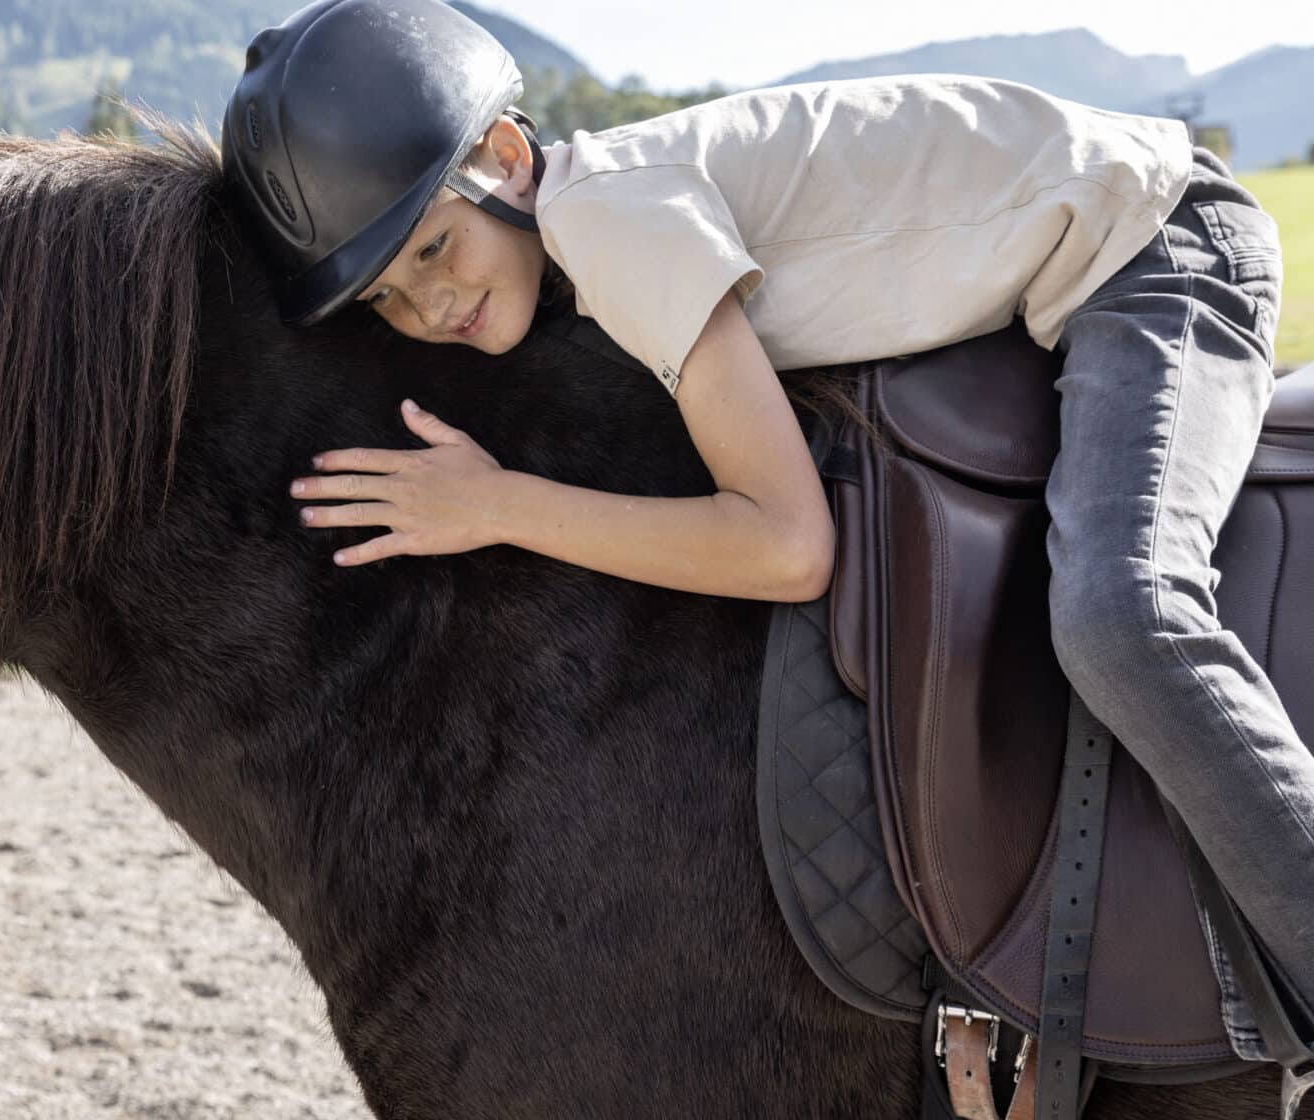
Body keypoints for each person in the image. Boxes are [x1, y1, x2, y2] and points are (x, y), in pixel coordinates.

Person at [221, 0, 1306, 1091]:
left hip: (1153, 248)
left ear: (505, 155)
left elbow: (789, 547)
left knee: (1121, 612)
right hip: (1061, 282)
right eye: (388, 297)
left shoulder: (609, 220)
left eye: (434, 247)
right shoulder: (587, 240)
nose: (430, 299)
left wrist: (496, 505)